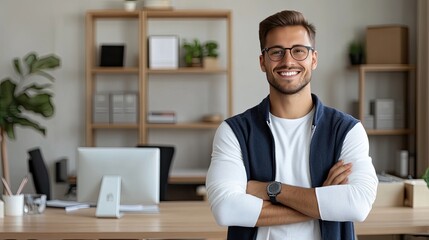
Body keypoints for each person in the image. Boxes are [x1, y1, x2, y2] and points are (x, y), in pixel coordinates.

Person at [205, 9, 378, 240]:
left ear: (313, 59)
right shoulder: (234, 132)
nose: (288, 61)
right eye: (276, 52)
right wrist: (323, 201)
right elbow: (226, 210)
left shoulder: (346, 130)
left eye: (299, 51)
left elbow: (357, 205)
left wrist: (272, 190)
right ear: (262, 62)